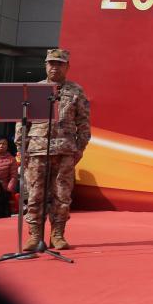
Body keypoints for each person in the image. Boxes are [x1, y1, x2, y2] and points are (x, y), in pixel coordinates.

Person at [16, 49, 90, 251]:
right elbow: (22, 122)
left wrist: (79, 149)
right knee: (35, 194)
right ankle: (35, 235)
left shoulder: (76, 91)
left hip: (65, 151)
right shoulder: (34, 90)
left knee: (62, 195)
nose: (55, 67)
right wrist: (21, 147)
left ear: (67, 67)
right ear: (45, 65)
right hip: (37, 150)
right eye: (51, 63)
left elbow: (84, 123)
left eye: (59, 64)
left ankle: (57, 234)